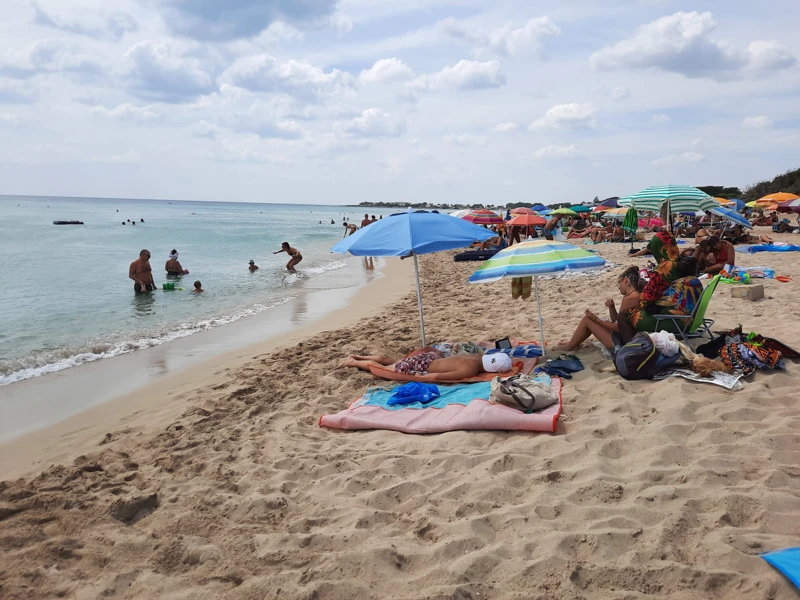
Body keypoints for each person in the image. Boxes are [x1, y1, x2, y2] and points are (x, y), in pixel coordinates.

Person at [553, 266, 645, 351]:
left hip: (622, 343)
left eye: (619, 283)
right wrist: (611, 308)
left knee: (587, 320)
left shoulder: (629, 299)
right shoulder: (636, 295)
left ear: (625, 280)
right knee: (591, 320)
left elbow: (618, 327)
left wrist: (595, 319)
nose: (619, 287)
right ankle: (573, 342)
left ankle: (570, 346)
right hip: (629, 337)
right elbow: (620, 322)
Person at [620, 256, 703, 340]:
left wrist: (646, 287)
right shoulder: (692, 282)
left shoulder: (677, 286)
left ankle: (629, 345)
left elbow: (646, 301)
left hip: (676, 323)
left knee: (624, 315)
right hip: (690, 321)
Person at [342, 348, 512, 381]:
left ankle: (358, 355)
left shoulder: (475, 357)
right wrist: (417, 378)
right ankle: (353, 362)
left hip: (428, 358)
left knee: (394, 360)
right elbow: (437, 376)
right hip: (422, 366)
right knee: (383, 369)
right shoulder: (470, 369)